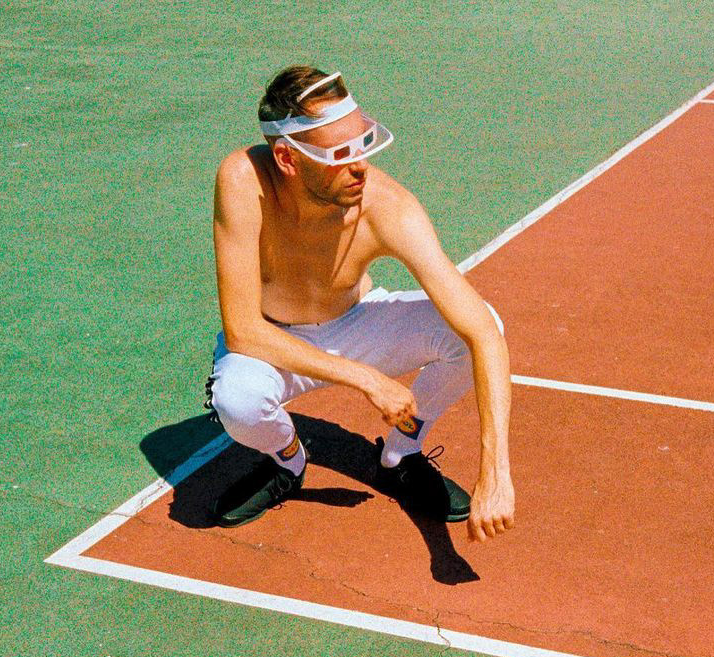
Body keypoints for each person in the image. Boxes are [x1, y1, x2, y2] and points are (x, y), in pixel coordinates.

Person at [204, 66, 515, 542]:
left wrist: (495, 473)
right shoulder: (243, 180)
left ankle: (401, 454)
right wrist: (368, 380)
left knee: (476, 328)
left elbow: (482, 331)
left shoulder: (388, 207)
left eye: (363, 143)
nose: (361, 166)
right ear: (287, 158)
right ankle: (288, 461)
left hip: (357, 322)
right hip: (272, 338)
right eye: (340, 154)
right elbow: (243, 331)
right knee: (237, 401)